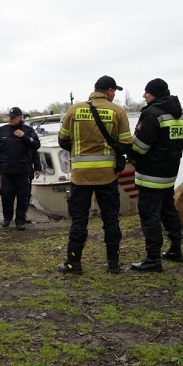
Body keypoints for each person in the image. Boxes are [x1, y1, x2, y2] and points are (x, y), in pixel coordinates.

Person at [56, 76, 132, 276]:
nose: (114, 95)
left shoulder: (74, 110)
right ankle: (113, 264)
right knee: (111, 219)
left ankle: (73, 264)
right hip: (107, 176)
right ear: (108, 91)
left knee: (79, 220)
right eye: (114, 91)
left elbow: (63, 140)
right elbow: (126, 144)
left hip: (81, 176)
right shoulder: (118, 111)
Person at [129, 78, 183, 272]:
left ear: (155, 93)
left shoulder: (152, 113)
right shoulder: (179, 115)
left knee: (149, 215)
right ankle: (175, 249)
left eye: (147, 92)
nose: (144, 95)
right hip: (170, 173)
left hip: (150, 175)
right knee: (169, 210)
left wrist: (128, 152)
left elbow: (140, 146)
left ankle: (153, 259)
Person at [0, 107, 41, 230]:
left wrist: (24, 136)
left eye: (13, 117)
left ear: (20, 117)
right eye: (10, 117)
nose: (11, 119)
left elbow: (36, 146)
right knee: (6, 195)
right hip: (7, 169)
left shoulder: (28, 130)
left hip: (23, 169)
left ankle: (20, 220)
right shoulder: (3, 130)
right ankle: (7, 218)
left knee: (23, 196)